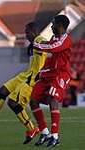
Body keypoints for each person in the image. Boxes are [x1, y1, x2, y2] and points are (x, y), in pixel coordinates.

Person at [0, 22, 47, 144]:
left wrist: (49, 45)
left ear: (34, 31)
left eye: (27, 32)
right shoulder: (34, 43)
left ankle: (32, 128)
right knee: (2, 91)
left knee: (13, 103)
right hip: (25, 75)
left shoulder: (40, 40)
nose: (26, 35)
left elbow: (46, 45)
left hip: (32, 79)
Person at [29, 15, 71, 147]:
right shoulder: (54, 38)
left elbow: (53, 47)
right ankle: (45, 131)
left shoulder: (66, 39)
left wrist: (35, 44)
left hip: (61, 74)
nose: (51, 26)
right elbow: (49, 45)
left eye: (53, 24)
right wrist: (41, 72)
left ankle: (55, 135)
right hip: (49, 73)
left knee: (53, 100)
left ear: (60, 25)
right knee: (33, 100)